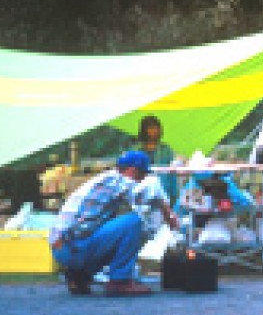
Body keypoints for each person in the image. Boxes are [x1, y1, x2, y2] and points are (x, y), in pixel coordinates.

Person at [50, 151, 176, 296]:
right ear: (133, 171)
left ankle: (79, 275)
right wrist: (168, 213)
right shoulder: (117, 179)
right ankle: (119, 281)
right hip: (71, 246)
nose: (143, 179)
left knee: (118, 233)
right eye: (142, 175)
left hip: (65, 245)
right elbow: (148, 195)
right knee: (134, 222)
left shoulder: (108, 180)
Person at [133, 115, 177, 204]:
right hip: (141, 192)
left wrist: (174, 194)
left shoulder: (166, 149)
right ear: (144, 130)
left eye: (156, 127)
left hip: (163, 191)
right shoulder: (135, 150)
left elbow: (172, 173)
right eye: (150, 128)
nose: (154, 131)